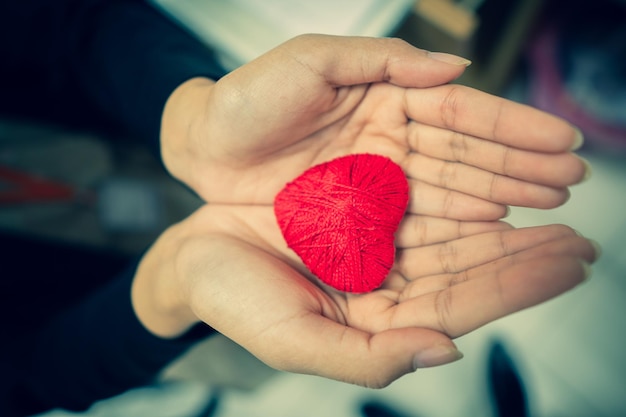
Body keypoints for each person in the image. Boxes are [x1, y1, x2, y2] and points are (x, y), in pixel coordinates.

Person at [0, 1, 598, 416]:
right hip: (130, 313)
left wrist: (188, 116)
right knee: (280, 337)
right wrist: (171, 291)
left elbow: (70, 21)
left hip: (158, 124)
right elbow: (26, 375)